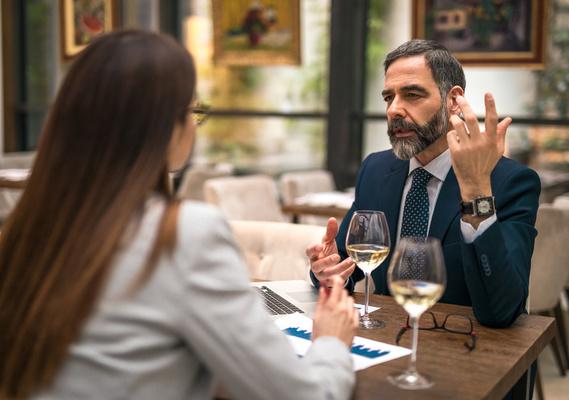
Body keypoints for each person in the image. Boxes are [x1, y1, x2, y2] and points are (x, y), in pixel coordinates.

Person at [0, 30, 357, 400]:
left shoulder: (25, 231)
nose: (193, 127)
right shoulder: (183, 233)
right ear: (162, 126)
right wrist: (331, 341)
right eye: (193, 111)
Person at [307, 39, 540, 329]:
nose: (394, 110)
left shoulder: (509, 182)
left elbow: (501, 311)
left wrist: (476, 189)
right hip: (386, 337)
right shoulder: (376, 170)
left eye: (412, 95)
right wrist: (325, 270)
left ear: (453, 101)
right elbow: (346, 262)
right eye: (388, 98)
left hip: (462, 347)